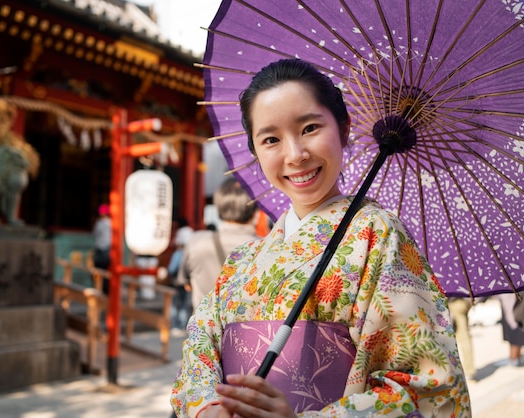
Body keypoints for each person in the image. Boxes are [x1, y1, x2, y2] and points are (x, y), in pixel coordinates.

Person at [170, 58, 470, 417]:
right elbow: (199, 350)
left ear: (343, 129)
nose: (295, 155)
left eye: (310, 128)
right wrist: (211, 408)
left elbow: (427, 385)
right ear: (254, 150)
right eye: (270, 139)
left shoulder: (378, 235)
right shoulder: (241, 261)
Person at [175, 177, 259, 310]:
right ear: (256, 211)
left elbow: (186, 283)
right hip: (246, 328)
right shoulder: (265, 248)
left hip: (205, 327)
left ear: (218, 205)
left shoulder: (196, 242)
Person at [168, 218, 194, 333]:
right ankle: (184, 325)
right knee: (184, 303)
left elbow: (171, 268)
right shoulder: (191, 252)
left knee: (175, 303)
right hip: (188, 280)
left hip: (176, 280)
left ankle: (175, 325)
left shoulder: (178, 254)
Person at [496, 293, 524, 367]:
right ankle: (514, 357)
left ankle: (514, 358)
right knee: (513, 329)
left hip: (514, 300)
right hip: (511, 299)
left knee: (515, 328)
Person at [449, 297, 476, 381]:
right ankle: (469, 371)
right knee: (464, 336)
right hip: (463, 300)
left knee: (462, 337)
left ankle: (468, 371)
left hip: (454, 302)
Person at [92, 203, 111, 293]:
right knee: (102, 272)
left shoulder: (99, 223)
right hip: (105, 250)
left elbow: (94, 234)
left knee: (102, 272)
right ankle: (103, 290)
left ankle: (102, 290)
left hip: (103, 250)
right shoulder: (111, 223)